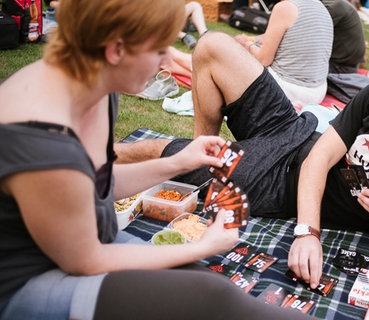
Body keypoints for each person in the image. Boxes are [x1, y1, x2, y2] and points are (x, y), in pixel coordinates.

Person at [0, 0, 317, 319]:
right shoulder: (41, 136)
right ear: (117, 49)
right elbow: (85, 260)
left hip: (91, 246)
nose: (167, 61)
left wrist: (179, 162)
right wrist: (204, 246)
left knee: (200, 278)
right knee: (210, 294)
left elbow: (97, 183)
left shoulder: (97, 81)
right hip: (30, 281)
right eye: (159, 49)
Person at [115, 37, 369, 290]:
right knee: (213, 45)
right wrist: (307, 233)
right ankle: (206, 153)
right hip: (293, 133)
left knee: (159, 150)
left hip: (279, 183)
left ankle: (87, 160)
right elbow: (319, 157)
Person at [233, 0, 333, 106]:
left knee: (230, 55)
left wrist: (247, 45)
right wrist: (252, 40)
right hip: (318, 91)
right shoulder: (322, 9)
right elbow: (270, 38)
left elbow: (263, 60)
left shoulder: (285, 7)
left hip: (289, 89)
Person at [321, 0, 367, 74]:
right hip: (345, 65)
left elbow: (303, 34)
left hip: (340, 68)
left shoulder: (332, 7)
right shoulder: (336, 4)